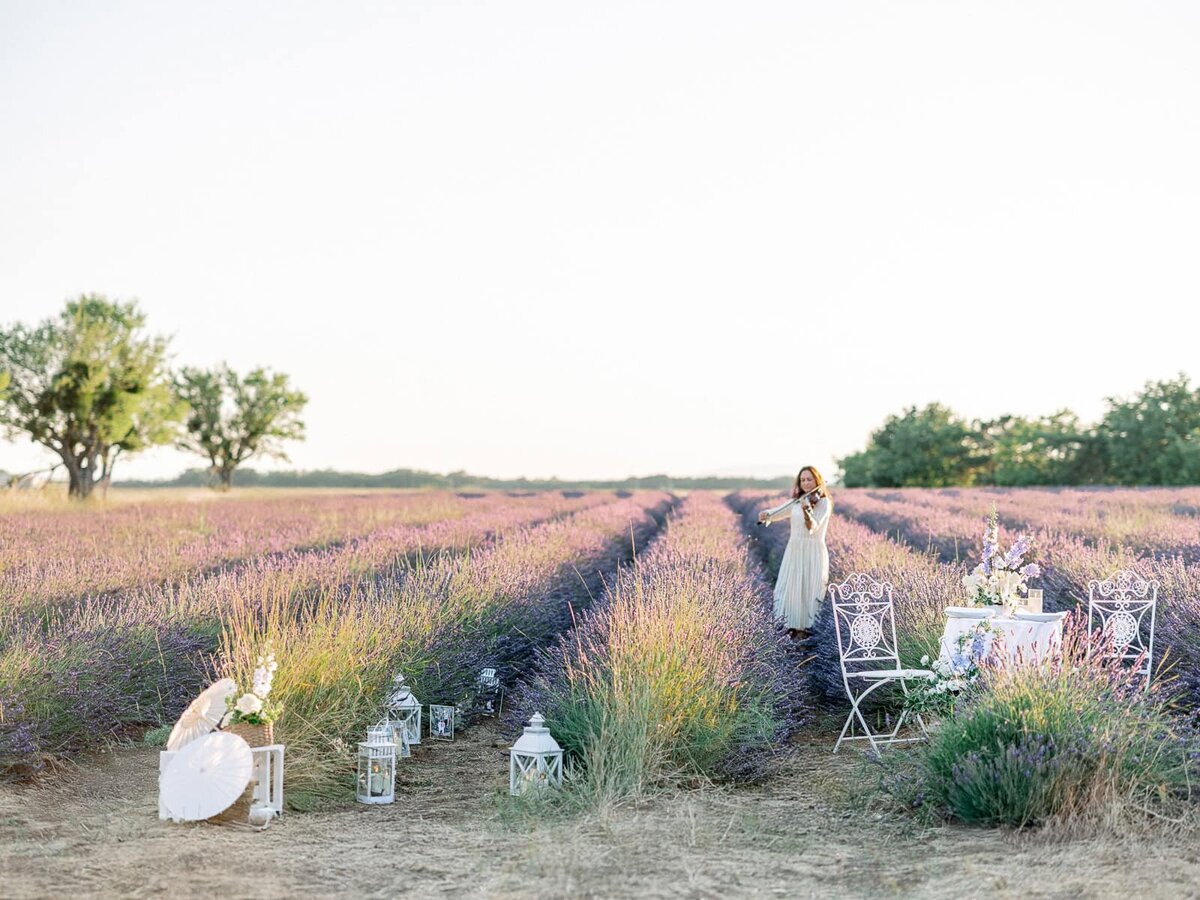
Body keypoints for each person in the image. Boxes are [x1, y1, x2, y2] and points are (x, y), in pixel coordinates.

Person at [757, 466, 833, 638]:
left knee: (809, 592)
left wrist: (807, 511)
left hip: (813, 551)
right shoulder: (797, 501)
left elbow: (813, 527)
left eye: (809, 479)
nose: (806, 483)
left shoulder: (823, 502)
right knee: (788, 589)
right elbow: (779, 511)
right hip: (795, 550)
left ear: (817, 481)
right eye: (803, 480)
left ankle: (806, 636)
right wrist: (766, 514)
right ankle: (790, 632)